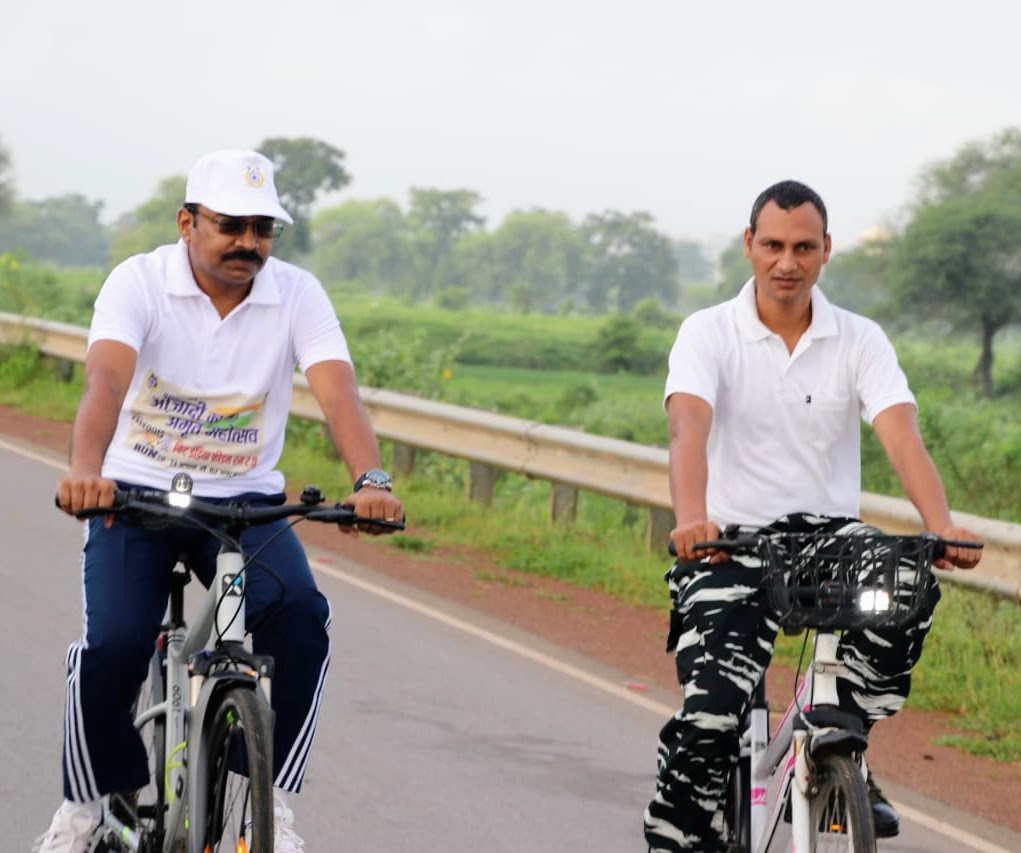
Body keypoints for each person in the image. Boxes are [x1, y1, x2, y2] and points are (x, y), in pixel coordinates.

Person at [36, 149, 405, 853]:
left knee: (298, 616)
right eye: (230, 225)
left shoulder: (296, 293)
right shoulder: (138, 282)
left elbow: (336, 390)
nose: (249, 243)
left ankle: (265, 793)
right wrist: (87, 470)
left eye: (263, 229)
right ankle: (82, 807)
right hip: (136, 497)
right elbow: (105, 383)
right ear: (187, 222)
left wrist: (372, 481)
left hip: (243, 509)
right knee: (113, 641)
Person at [642, 179, 983, 853]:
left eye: (803, 246)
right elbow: (688, 424)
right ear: (749, 245)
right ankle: (676, 836)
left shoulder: (858, 338)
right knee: (710, 716)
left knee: (906, 584)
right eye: (771, 245)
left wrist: (942, 523)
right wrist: (691, 518)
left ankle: (843, 739)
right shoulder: (707, 332)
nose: (786, 262)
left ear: (825, 250)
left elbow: (898, 431)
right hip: (727, 544)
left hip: (828, 544)